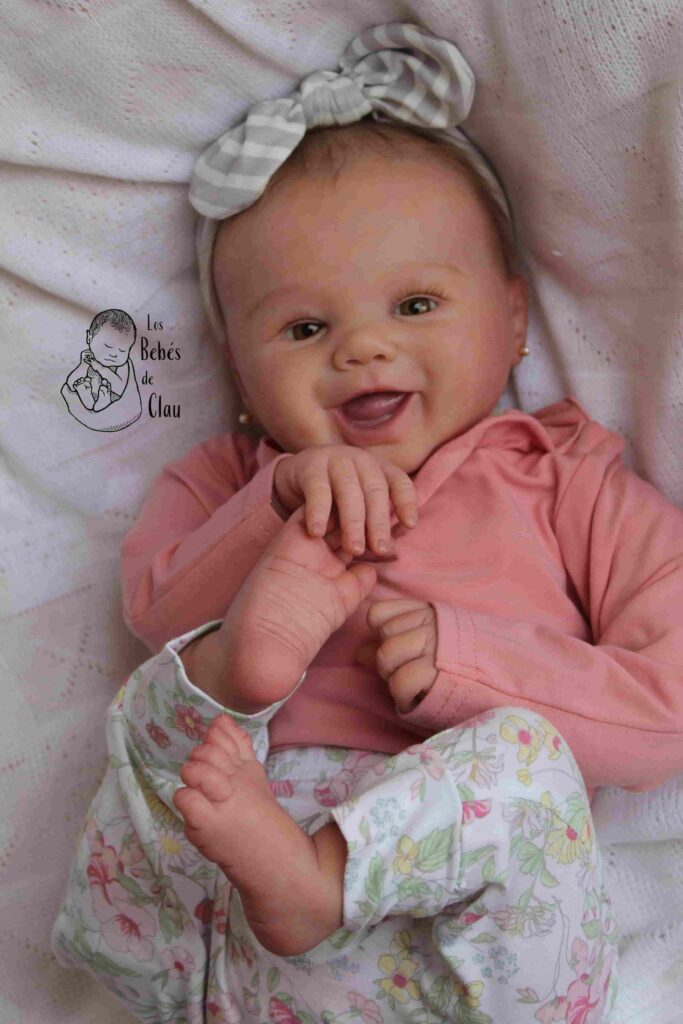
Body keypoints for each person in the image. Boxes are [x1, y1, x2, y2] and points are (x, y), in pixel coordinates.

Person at [52, 22, 683, 1023]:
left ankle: (323, 872)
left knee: (523, 758)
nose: (362, 349)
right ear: (240, 374)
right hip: (230, 888)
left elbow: (665, 705)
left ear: (514, 319)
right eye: (305, 328)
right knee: (156, 702)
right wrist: (276, 505)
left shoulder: (569, 481)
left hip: (472, 943)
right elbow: (153, 607)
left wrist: (470, 666)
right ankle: (250, 675)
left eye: (416, 304)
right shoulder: (236, 479)